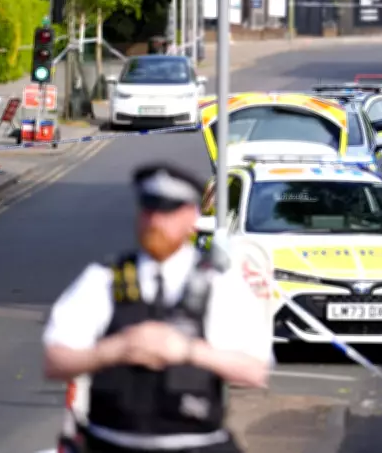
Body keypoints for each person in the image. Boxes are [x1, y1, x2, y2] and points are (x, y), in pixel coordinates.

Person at [43, 162, 272, 453]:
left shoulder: (219, 284)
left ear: (191, 217)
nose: (155, 222)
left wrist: (187, 351)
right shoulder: (102, 278)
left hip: (196, 445)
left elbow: (254, 371)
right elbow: (54, 361)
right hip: (110, 443)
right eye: (149, 210)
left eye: (168, 211)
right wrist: (117, 349)